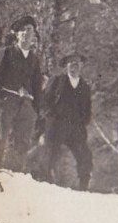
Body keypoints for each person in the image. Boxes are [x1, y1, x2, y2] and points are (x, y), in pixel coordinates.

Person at [0, 15, 44, 171]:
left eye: (30, 30)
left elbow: (37, 84)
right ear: (16, 34)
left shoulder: (34, 59)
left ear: (34, 35)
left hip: (26, 105)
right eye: (22, 30)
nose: (26, 34)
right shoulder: (6, 52)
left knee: (22, 142)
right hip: (5, 100)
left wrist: (35, 108)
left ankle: (15, 177)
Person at [40, 52, 93, 191]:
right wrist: (51, 117)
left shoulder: (84, 86)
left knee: (84, 155)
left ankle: (83, 186)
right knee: (50, 154)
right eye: (71, 62)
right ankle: (45, 184)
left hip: (76, 127)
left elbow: (87, 108)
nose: (74, 65)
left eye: (77, 62)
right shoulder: (57, 81)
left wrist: (83, 122)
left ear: (81, 65)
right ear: (66, 66)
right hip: (57, 125)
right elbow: (45, 101)